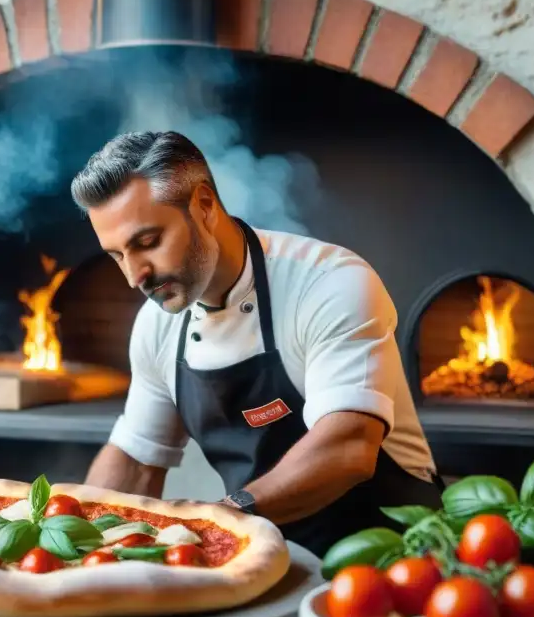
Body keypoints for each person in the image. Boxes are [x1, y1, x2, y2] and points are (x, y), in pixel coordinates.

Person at [69, 131, 444, 558]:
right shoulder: (156, 326)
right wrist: (74, 545)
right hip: (267, 554)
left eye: (148, 242)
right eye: (117, 255)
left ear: (204, 205)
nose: (135, 275)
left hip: (395, 552)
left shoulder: (329, 283)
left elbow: (348, 448)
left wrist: (220, 518)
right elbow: (136, 461)